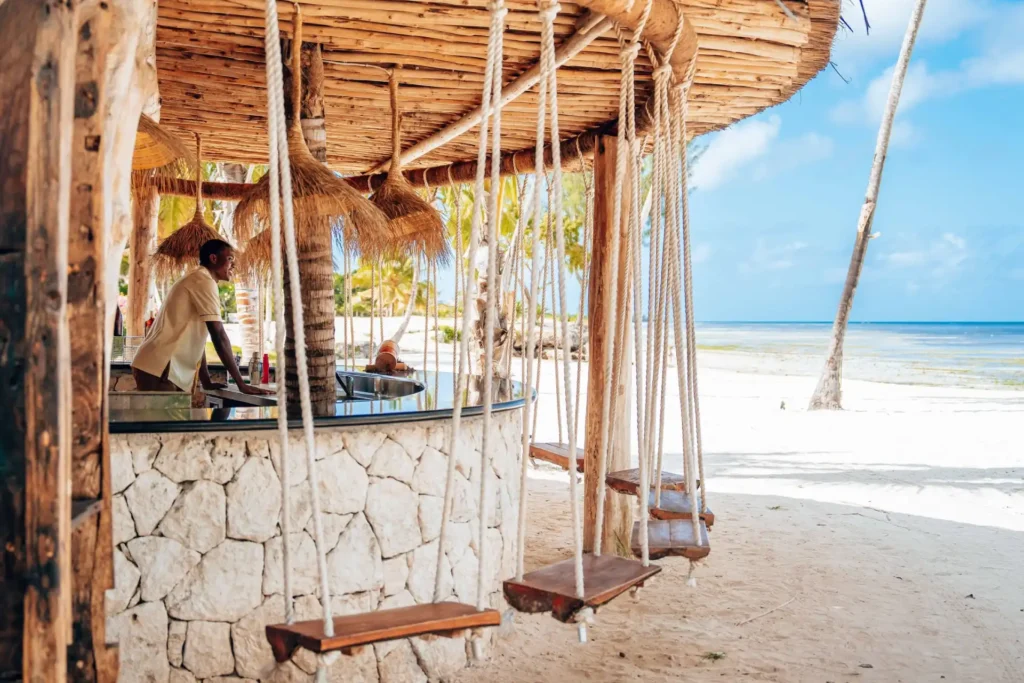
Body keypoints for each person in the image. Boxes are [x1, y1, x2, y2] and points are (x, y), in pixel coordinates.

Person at [131, 239, 270, 396]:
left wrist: (206, 381)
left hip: (157, 365)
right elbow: (218, 334)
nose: (233, 265)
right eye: (230, 258)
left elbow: (198, 339)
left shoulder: (198, 279)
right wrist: (241, 384)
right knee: (164, 420)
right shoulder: (203, 281)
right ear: (213, 258)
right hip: (161, 367)